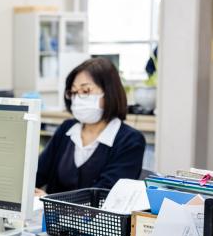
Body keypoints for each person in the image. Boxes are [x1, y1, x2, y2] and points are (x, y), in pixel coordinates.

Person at [35, 58, 146, 195]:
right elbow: (37, 174)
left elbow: (105, 196)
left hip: (96, 216)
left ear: (109, 92)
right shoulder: (66, 129)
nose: (77, 98)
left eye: (86, 91)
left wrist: (48, 200)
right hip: (47, 215)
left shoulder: (130, 140)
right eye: (73, 92)